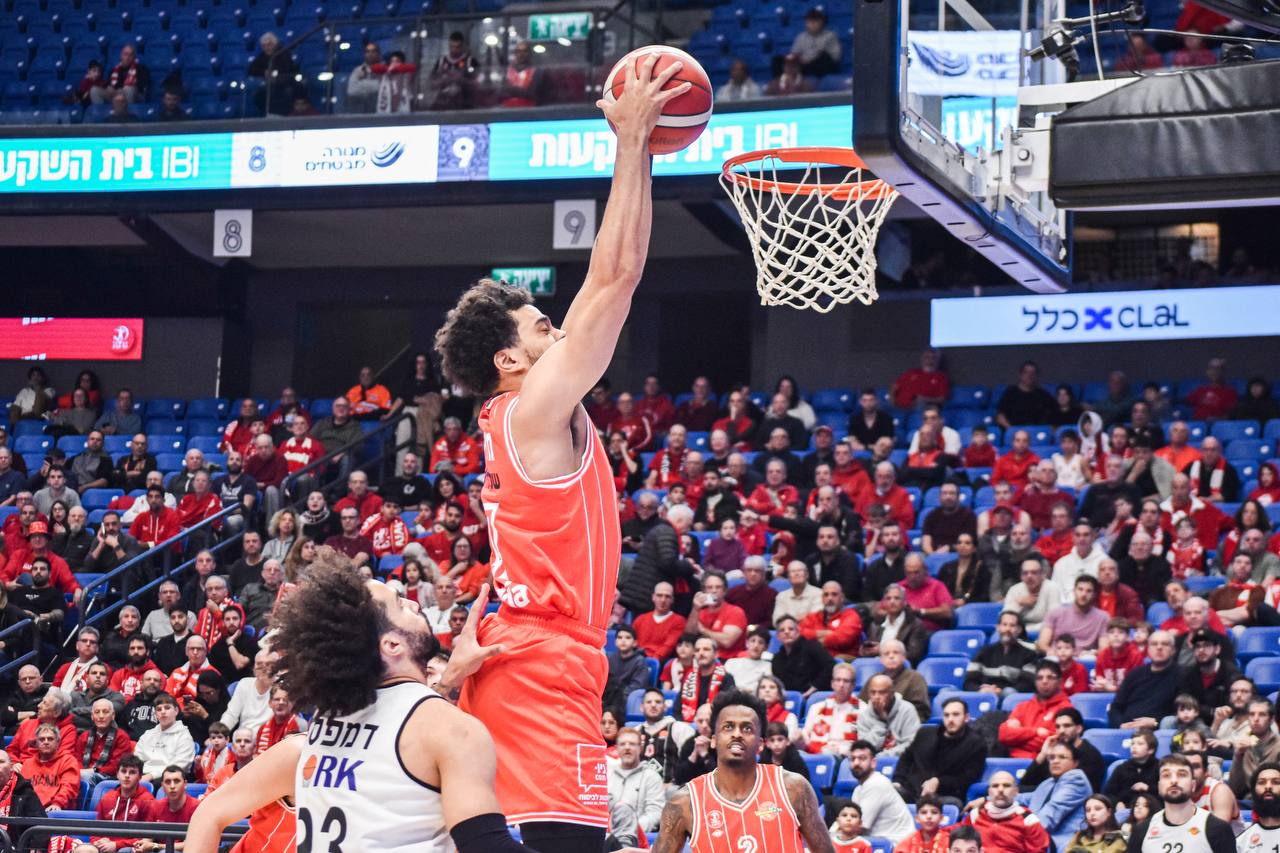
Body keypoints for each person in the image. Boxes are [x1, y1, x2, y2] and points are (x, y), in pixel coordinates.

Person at [185, 552, 538, 853]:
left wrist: (448, 679)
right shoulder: (450, 731)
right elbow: (486, 845)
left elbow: (207, 814)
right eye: (400, 605)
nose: (415, 604)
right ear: (392, 645)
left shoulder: (313, 739)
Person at [647, 689, 832, 852]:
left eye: (747, 728)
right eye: (728, 727)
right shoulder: (684, 802)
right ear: (713, 740)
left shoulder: (793, 788)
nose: (737, 734)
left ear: (761, 744)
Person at [1126, 753, 1237, 852]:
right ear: (1159, 787)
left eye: (1182, 774)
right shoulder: (1141, 831)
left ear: (1193, 785)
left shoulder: (1217, 829)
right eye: (1166, 775)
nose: (1174, 780)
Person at [892, 696, 986, 806]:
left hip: (943, 795)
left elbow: (968, 778)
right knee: (889, 793)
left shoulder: (975, 743)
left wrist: (939, 782)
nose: (950, 719)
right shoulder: (925, 733)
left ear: (966, 718)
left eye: (956, 715)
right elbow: (906, 758)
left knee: (953, 804)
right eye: (946, 715)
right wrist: (898, 780)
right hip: (912, 792)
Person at [998, 660, 1071, 759]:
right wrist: (1035, 731)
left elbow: (1054, 743)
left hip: (1046, 762)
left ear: (1060, 681)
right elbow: (1003, 735)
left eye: (1050, 677)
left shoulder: (1066, 709)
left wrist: (1017, 739)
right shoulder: (1022, 707)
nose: (1044, 681)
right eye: (1040, 678)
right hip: (1015, 761)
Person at [1109, 630, 1182, 729]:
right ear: (1148, 649)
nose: (1159, 647)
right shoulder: (1135, 673)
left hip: (1158, 733)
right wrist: (1121, 725)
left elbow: (1183, 712)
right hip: (1126, 730)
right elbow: (1116, 707)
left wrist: (1156, 723)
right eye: (1154, 644)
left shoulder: (1183, 675)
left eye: (1165, 644)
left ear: (1173, 650)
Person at [961, 771, 1050, 853]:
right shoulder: (975, 815)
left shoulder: (1029, 821)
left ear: (1016, 791)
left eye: (1006, 785)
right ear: (989, 792)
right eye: (995, 786)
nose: (1000, 790)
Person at [606, 727, 664, 847]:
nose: (627, 747)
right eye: (622, 744)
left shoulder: (651, 777)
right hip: (608, 838)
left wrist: (629, 828)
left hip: (637, 839)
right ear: (616, 748)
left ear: (640, 748)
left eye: (632, 744)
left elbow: (655, 813)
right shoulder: (606, 775)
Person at [90, 753, 155, 852]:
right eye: (123, 771)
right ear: (117, 774)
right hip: (106, 846)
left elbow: (146, 839)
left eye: (132, 772)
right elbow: (96, 831)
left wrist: (117, 845)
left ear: (140, 777)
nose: (127, 776)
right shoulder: (107, 798)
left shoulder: (147, 800)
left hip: (129, 849)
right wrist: (98, 841)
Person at [963, 610, 1038, 695]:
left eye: (1012, 625)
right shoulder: (984, 652)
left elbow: (1028, 684)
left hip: (1010, 696)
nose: (1007, 629)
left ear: (1019, 630)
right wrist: (981, 689)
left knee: (1009, 692)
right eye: (1004, 624)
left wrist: (1000, 691)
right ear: (998, 627)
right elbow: (969, 682)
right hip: (986, 694)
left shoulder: (1029, 654)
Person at [1227, 698, 1280, 800]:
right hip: (1248, 801)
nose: (1256, 719)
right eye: (1252, 714)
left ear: (1271, 720)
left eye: (1262, 715)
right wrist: (1239, 755)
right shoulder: (1242, 745)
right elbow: (1235, 789)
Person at [772, 614, 836, 695]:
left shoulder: (813, 647)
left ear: (798, 632)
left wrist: (814, 687)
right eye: (782, 630)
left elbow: (831, 666)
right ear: (778, 636)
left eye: (791, 629)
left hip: (815, 694)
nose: (787, 632)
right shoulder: (776, 659)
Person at [1102, 730, 1159, 808]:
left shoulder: (1159, 767)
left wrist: (1148, 788)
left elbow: (1164, 792)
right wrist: (1117, 803)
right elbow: (1108, 793)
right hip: (1125, 809)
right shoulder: (1121, 768)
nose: (1134, 747)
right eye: (1132, 744)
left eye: (1140, 744)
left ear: (1151, 750)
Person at [1238, 763, 1280, 852]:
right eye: (1261, 782)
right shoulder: (1241, 842)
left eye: (1276, 782)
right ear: (1253, 791)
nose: (1268, 786)